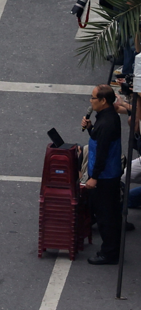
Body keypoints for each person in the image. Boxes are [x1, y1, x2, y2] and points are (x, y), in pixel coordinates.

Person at [88, 84, 124, 265]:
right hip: (110, 173)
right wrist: (90, 128)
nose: (91, 101)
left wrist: (94, 177)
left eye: (93, 98)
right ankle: (112, 248)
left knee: (105, 216)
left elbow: (101, 153)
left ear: (103, 101)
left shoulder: (106, 123)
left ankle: (109, 253)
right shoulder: (108, 118)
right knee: (111, 212)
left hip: (105, 176)